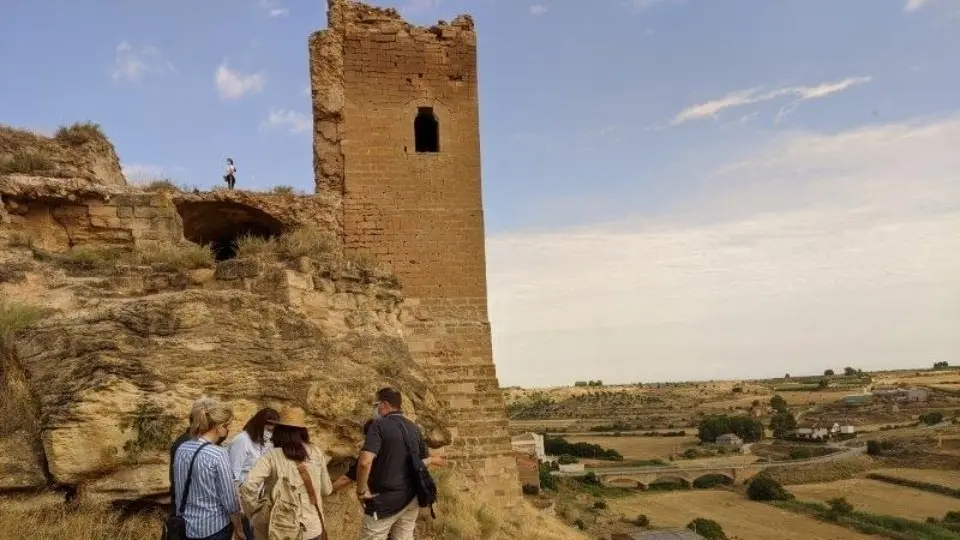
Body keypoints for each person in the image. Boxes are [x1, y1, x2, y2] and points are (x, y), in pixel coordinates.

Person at [240, 406, 333, 540]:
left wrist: (255, 513)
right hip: (312, 528)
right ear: (303, 431)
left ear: (279, 431)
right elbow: (326, 490)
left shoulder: (272, 456)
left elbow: (247, 486)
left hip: (281, 530)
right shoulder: (316, 452)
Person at [354, 387, 430, 540]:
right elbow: (423, 461)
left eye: (376, 405)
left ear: (384, 404)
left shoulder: (378, 425)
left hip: (384, 501)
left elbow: (365, 462)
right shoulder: (414, 428)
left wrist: (361, 491)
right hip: (411, 499)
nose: (375, 409)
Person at [172, 397, 246, 540]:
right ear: (218, 426)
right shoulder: (218, 453)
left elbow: (179, 488)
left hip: (187, 526)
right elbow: (229, 500)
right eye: (226, 425)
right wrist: (239, 528)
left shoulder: (182, 448)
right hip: (214, 527)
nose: (228, 429)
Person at [332, 420, 444, 494]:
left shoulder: (370, 456)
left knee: (375, 530)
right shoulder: (400, 449)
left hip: (386, 502)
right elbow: (416, 464)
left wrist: (327, 491)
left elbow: (346, 478)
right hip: (409, 499)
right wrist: (431, 459)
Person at [228, 408, 280, 540]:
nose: (270, 433)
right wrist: (238, 509)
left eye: (273, 430)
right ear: (259, 425)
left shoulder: (268, 444)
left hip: (260, 502)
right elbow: (233, 476)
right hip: (243, 502)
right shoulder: (241, 440)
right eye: (268, 429)